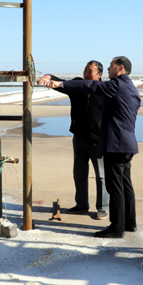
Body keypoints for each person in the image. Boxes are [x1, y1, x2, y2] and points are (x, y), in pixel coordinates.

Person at [39, 56, 140, 239]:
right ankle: (129, 223)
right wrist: (54, 80)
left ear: (120, 68)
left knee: (114, 187)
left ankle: (117, 228)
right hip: (127, 143)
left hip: (115, 145)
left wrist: (59, 83)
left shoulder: (116, 85)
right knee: (125, 185)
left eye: (111, 66)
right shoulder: (130, 87)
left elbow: (91, 86)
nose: (109, 69)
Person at [40, 61, 109, 220]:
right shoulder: (78, 85)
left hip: (98, 140)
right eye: (85, 70)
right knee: (79, 173)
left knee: (101, 176)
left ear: (99, 74)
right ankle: (82, 204)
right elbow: (61, 83)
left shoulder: (104, 89)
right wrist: (47, 77)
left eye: (90, 71)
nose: (86, 73)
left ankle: (103, 207)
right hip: (79, 138)